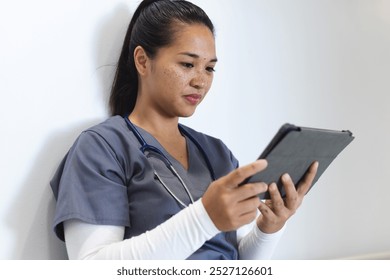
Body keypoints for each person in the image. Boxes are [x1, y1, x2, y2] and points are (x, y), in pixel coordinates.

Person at [50, 0, 318, 260]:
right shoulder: (101, 148)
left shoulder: (217, 154)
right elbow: (92, 267)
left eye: (210, 68)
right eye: (188, 64)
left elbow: (232, 262)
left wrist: (268, 228)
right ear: (142, 61)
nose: (201, 81)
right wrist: (205, 218)